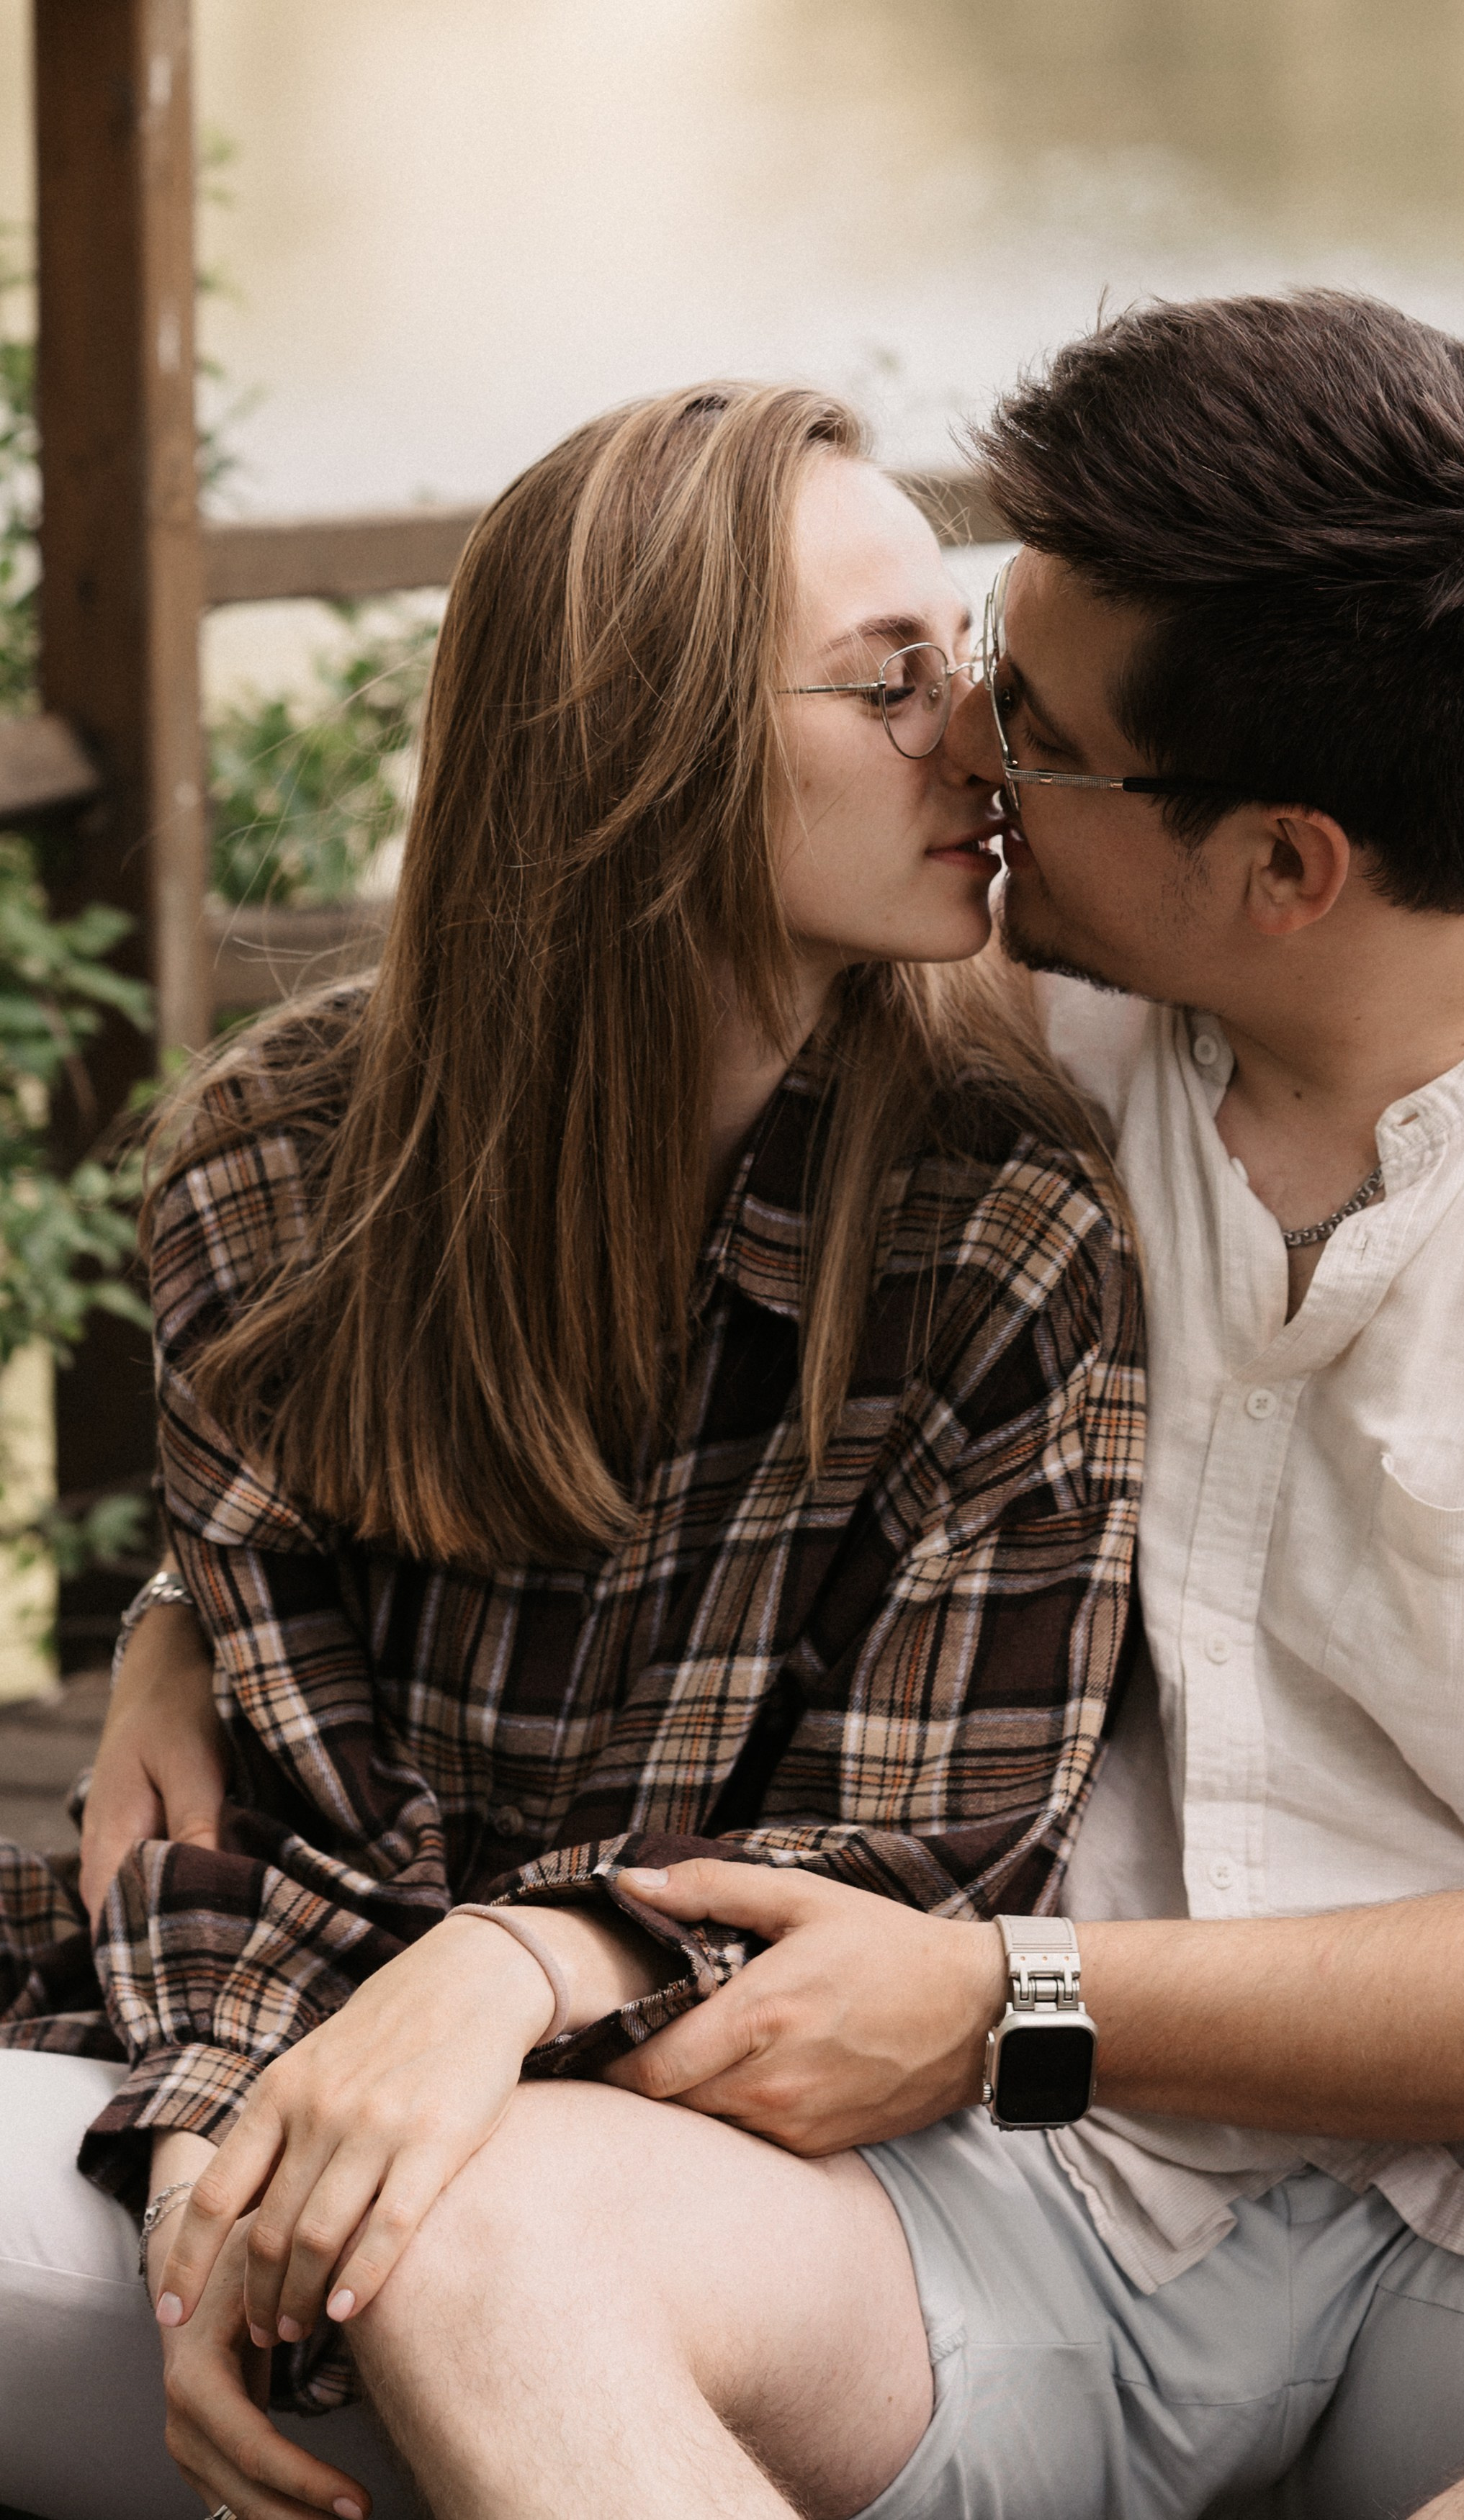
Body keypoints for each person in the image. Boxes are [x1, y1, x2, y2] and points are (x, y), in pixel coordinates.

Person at [17, 287, 1464, 2520]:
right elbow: (549, 1042)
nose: (980, 756)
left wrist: (1014, 1990)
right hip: (1024, 2204)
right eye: (945, 671)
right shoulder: (1030, 990)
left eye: (1028, 724)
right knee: (478, 2237)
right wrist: (179, 1615)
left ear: (1286, 868)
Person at [0, 380, 1141, 2520]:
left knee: (462, 2272)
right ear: (654, 745)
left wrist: (507, 1984)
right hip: (287, 2068)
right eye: (892, 684)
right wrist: (209, 2194)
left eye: (963, 667)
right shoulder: (273, 1168)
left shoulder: (1001, 1231)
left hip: (759, 2208)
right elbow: (258, 1818)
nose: (974, 744)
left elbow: (909, 1871)